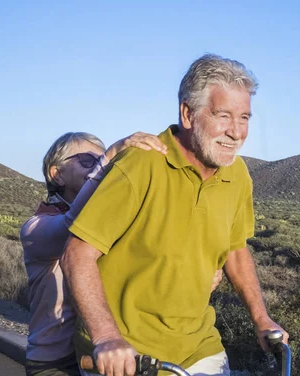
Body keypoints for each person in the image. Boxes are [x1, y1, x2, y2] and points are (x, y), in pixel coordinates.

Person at [60, 54, 289, 376]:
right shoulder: (141, 166)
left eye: (244, 118)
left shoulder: (237, 175)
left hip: (200, 347)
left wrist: (261, 318)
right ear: (188, 114)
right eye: (223, 115)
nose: (236, 132)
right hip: (129, 355)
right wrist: (106, 338)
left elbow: (235, 250)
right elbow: (77, 253)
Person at [21, 131, 223, 376]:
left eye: (99, 160)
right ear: (57, 174)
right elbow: (72, 225)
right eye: (87, 160)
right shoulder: (35, 229)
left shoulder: (106, 227)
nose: (97, 166)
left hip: (103, 352)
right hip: (57, 362)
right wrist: (110, 158)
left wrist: (197, 276)